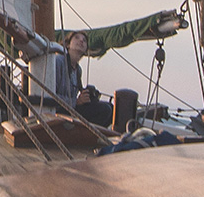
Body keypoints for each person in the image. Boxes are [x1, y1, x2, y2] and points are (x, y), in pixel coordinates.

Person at [50, 10, 185, 124]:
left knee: (110, 108)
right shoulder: (58, 62)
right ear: (67, 44)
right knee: (105, 111)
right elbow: (49, 96)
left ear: (86, 48)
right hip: (57, 112)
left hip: (71, 109)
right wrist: (76, 101)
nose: (81, 41)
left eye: (84, 40)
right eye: (77, 38)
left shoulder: (77, 70)